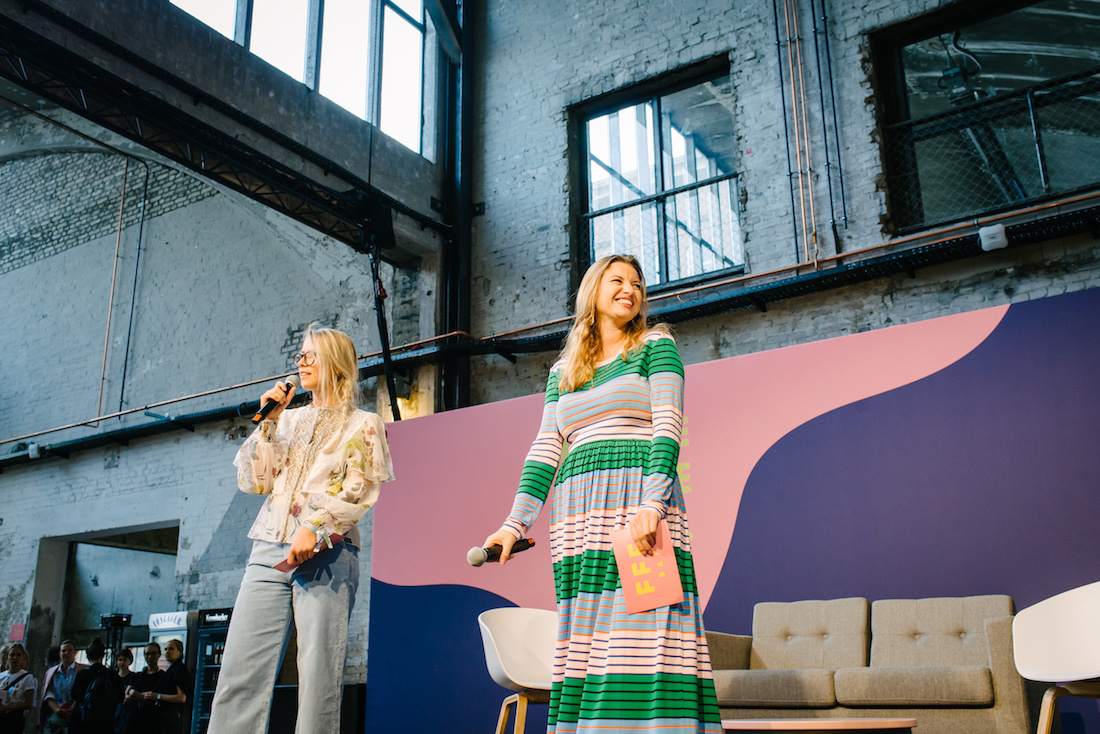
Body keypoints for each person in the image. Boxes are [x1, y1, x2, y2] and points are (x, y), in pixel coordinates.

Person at [483, 254, 723, 734]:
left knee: (647, 628)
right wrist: (514, 524)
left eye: (637, 283)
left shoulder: (656, 345)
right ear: (593, 291)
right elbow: (547, 447)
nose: (629, 288)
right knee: (587, 633)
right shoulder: (564, 370)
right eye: (617, 280)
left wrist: (653, 504)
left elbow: (668, 426)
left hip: (639, 504)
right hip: (577, 512)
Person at [207, 324, 394, 734]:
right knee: (239, 670)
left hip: (328, 552)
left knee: (318, 678)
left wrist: (315, 526)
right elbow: (256, 482)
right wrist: (268, 424)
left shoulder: (364, 422)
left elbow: (360, 490)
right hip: (267, 549)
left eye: (311, 355)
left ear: (335, 363)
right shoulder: (286, 419)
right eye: (300, 356)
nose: (301, 364)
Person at [70, 638, 120, 734]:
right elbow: (120, 697)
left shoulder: (82, 674)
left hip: (84, 721)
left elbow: (74, 695)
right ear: (103, 655)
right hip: (106, 722)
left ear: (88, 656)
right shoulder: (112, 674)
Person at [38, 640, 86, 733]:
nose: (66, 653)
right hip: (55, 715)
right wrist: (57, 709)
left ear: (75, 652)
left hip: (75, 715)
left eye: (69, 650)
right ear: (60, 653)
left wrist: (72, 708)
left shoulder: (83, 670)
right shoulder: (52, 672)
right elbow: (48, 694)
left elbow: (82, 693)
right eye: (64, 651)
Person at [145, 640, 190, 734]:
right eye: (165, 649)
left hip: (170, 717)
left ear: (180, 652)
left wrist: (158, 696)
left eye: (171, 649)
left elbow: (181, 697)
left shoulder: (179, 670)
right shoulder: (172, 669)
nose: (167, 652)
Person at [120, 644, 164, 734]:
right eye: (147, 654)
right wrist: (138, 695)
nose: (150, 657)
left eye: (153, 653)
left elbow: (152, 700)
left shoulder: (162, 676)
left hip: (152, 721)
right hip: (134, 720)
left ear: (159, 654)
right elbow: (126, 697)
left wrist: (134, 694)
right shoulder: (138, 676)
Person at [0, 643, 36, 734]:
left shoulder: (27, 677)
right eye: (12, 655)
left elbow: (28, 703)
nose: (15, 657)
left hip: (14, 718)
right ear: (8, 657)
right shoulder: (1, 676)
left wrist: (7, 707)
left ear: (23, 657)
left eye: (18, 655)